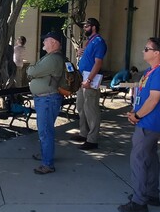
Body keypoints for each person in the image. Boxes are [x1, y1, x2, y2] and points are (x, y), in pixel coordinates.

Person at [118, 38, 160, 212]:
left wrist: (138, 115)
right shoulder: (151, 71)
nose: (143, 51)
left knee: (138, 160)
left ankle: (139, 201)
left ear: (157, 53)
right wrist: (134, 111)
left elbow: (153, 100)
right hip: (145, 121)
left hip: (149, 123)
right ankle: (150, 194)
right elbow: (143, 95)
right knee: (149, 158)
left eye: (146, 48)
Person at [27, 31, 65, 174]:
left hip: (47, 100)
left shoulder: (52, 59)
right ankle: (45, 155)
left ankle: (48, 164)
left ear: (54, 42)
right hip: (46, 99)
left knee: (45, 131)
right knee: (45, 130)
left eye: (46, 40)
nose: (43, 42)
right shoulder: (52, 57)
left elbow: (32, 71)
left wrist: (30, 69)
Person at [72, 18, 107, 150]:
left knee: (91, 108)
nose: (84, 28)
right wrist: (79, 52)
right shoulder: (89, 42)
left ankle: (92, 139)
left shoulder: (99, 42)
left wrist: (89, 80)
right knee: (80, 106)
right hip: (82, 77)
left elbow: (98, 63)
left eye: (86, 26)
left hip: (90, 79)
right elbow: (86, 57)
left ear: (94, 27)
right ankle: (83, 133)